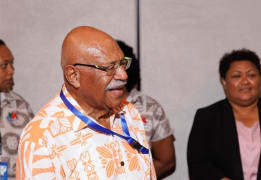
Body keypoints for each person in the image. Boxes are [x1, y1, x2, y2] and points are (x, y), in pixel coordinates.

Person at [16, 26, 156, 179]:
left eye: (122, 64)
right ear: (73, 76)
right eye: (109, 67)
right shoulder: (42, 138)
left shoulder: (129, 113)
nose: (123, 75)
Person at [187, 48, 261, 180]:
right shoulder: (207, 117)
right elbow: (198, 163)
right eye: (237, 76)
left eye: (252, 75)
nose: (245, 81)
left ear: (260, 79)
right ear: (224, 81)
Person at [117, 40, 176, 179]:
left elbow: (166, 161)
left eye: (121, 64)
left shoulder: (149, 107)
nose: (115, 72)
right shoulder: (82, 106)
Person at [0, 39, 34, 179]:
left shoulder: (20, 106)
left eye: (11, 63)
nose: (11, 71)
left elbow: (35, 155)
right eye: (4, 65)